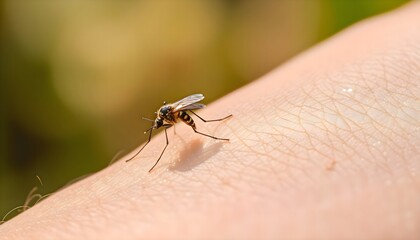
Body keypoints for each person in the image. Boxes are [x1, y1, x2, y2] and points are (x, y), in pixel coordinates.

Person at [1, 2, 419, 239]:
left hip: (197, 112)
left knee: (191, 126)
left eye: (163, 120)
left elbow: (181, 119)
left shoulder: (176, 116)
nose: (163, 124)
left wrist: (203, 125)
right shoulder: (164, 120)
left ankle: (216, 125)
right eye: (165, 120)